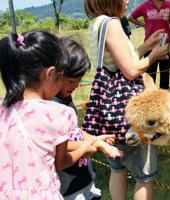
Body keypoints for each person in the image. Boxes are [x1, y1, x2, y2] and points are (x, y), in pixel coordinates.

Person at [83, 0, 169, 200]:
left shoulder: (95, 24)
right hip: (127, 112)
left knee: (118, 169)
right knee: (144, 176)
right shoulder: (112, 23)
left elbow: (119, 64)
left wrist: (146, 46)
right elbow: (130, 71)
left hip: (110, 111)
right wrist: (154, 55)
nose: (127, 0)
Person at [0, 30, 98, 199]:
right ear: (50, 74)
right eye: (61, 77)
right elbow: (61, 162)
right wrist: (86, 147)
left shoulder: (3, 109)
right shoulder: (60, 113)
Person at [54, 38, 123, 200]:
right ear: (54, 74)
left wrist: (95, 138)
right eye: (71, 81)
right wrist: (91, 144)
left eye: (78, 81)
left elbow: (74, 132)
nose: (76, 86)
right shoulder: (51, 106)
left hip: (83, 177)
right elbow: (58, 145)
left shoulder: (65, 98)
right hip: (66, 186)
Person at [128, 0, 170, 89]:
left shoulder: (169, 4)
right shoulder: (145, 5)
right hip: (149, 47)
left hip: (165, 45)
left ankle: (164, 100)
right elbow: (131, 17)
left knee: (165, 76)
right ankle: (150, 98)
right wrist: (143, 25)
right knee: (149, 78)